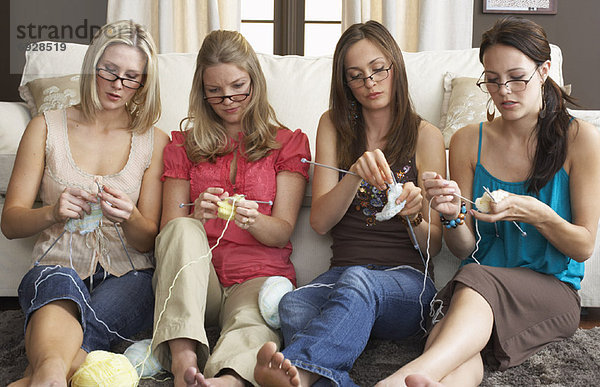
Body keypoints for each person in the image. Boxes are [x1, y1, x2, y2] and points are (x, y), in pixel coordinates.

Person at [377, 17, 600, 387]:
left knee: (460, 310)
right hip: (475, 288)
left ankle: (398, 381)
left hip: (550, 292)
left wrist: (537, 213)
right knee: (455, 344)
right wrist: (451, 216)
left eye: (516, 77)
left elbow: (583, 246)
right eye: (492, 80)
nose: (504, 91)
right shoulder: (467, 140)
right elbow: (464, 246)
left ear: (544, 71)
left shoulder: (581, 139)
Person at [254, 20, 446, 387]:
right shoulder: (333, 126)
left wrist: (415, 216)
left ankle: (301, 368)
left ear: (395, 67)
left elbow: (433, 245)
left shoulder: (426, 136)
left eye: (378, 70)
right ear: (344, 83)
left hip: (407, 284)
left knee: (360, 281)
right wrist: (354, 175)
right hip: (342, 276)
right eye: (356, 77)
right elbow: (320, 223)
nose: (370, 83)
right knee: (292, 305)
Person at [1, 20, 168, 386]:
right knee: (59, 284)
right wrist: (52, 211)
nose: (117, 85)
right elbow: (10, 224)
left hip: (129, 275)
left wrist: (129, 216)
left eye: (131, 77)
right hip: (57, 266)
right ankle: (60, 371)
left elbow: (148, 239)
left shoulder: (153, 140)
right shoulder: (46, 127)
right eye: (109, 71)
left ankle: (43, 373)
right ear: (93, 64)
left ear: (143, 83)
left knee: (95, 312)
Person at [151, 29, 310, 387]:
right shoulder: (183, 146)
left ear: (255, 79)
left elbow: (282, 230)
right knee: (181, 228)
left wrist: (254, 220)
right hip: (197, 279)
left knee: (255, 319)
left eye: (239, 86)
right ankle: (183, 360)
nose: (228, 99)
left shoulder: (288, 143)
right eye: (215, 91)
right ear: (202, 91)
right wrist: (196, 215)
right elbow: (168, 232)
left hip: (256, 274)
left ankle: (227, 379)